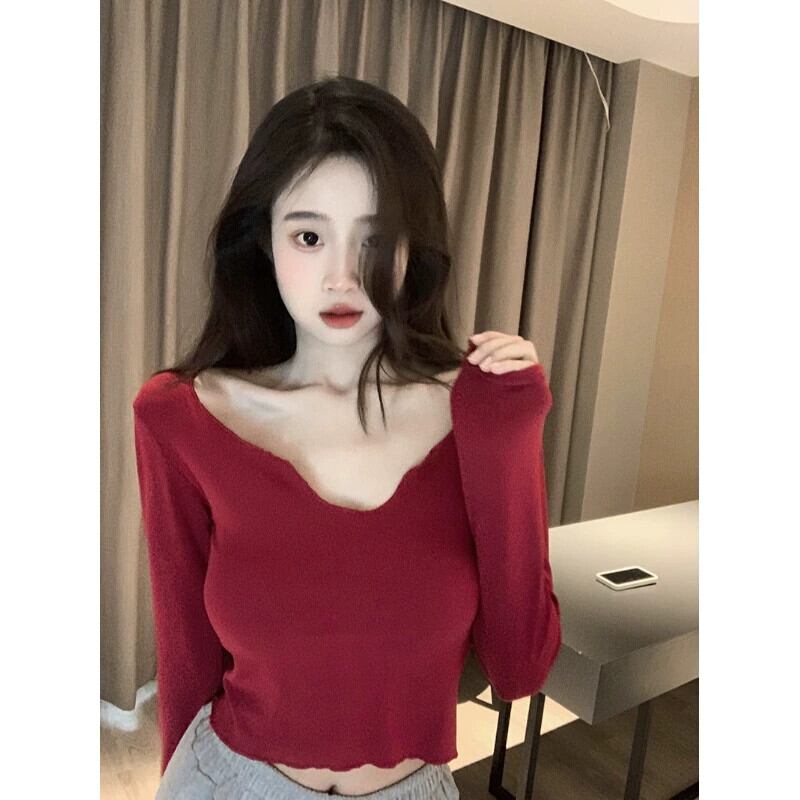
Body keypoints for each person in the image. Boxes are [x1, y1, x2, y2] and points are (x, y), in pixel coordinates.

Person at [132, 75, 561, 799]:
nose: (341, 276)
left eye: (375, 240)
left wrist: (509, 435)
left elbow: (520, 666)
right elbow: (185, 657)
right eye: (308, 236)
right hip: (227, 781)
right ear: (263, 241)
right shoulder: (183, 415)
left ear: (412, 250)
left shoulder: (478, 414)